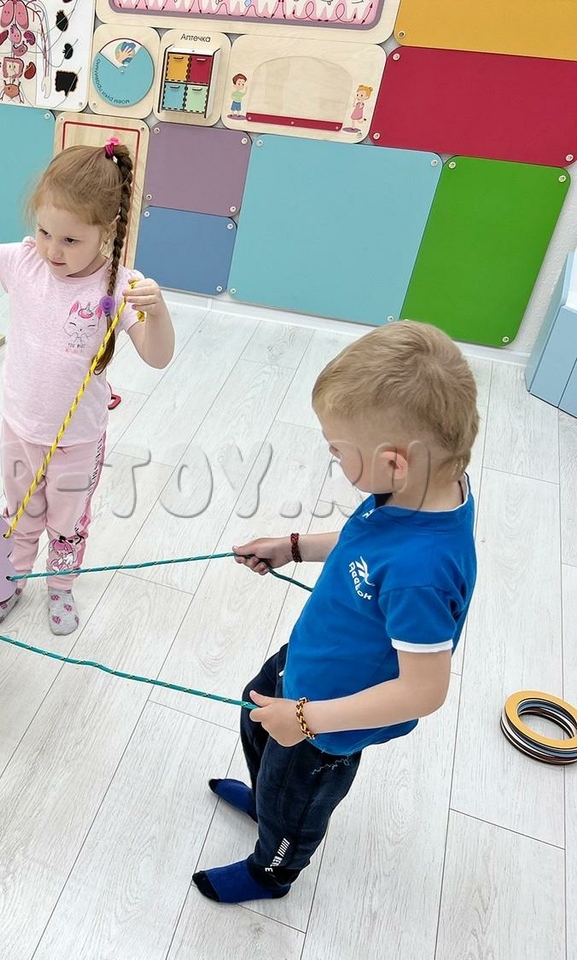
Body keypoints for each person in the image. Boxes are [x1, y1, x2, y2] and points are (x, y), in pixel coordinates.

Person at [194, 320, 478, 903]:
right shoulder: (417, 489)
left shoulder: (423, 572)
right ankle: (265, 800)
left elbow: (424, 691)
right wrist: (294, 547)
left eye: (337, 450)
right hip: (311, 660)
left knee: (294, 800)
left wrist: (306, 720)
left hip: (329, 720)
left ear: (395, 462)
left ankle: (271, 870)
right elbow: (363, 544)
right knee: (255, 719)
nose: (333, 459)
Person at [0, 139, 175, 635]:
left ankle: (61, 587)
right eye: (45, 232)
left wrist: (158, 313)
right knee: (19, 514)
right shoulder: (25, 262)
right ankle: (11, 580)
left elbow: (157, 356)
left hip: (78, 440)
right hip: (20, 428)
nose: (52, 249)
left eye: (70, 240)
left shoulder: (118, 287)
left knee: (66, 523)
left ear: (108, 231)